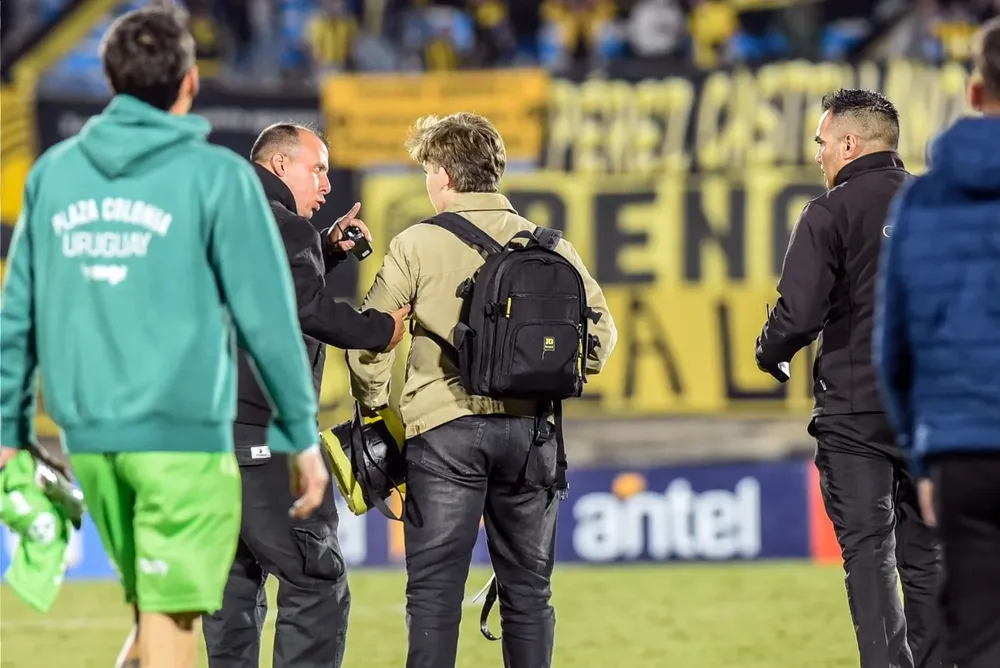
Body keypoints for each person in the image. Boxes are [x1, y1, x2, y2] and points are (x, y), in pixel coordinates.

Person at [0, 8, 329, 668]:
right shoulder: (217, 177)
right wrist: (300, 434)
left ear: (108, 77)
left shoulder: (54, 173)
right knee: (173, 622)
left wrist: (10, 432)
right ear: (190, 82)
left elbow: (19, 313)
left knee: (149, 606)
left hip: (90, 437)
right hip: (181, 438)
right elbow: (267, 316)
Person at [346, 112, 617, 668]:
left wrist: (374, 410)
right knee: (528, 594)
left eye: (428, 170)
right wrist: (548, 377)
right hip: (531, 435)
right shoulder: (550, 247)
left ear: (444, 175)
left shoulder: (416, 243)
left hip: (444, 432)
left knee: (434, 594)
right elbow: (601, 337)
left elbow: (371, 340)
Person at [202, 123, 409, 668]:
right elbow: (306, 310)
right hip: (269, 439)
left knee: (230, 590)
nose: (325, 184)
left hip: (207, 440)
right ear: (279, 165)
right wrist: (379, 329)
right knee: (315, 581)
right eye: (316, 169)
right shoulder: (286, 227)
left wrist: (327, 250)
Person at [754, 89, 944, 668]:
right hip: (931, 412)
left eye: (821, 141)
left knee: (868, 554)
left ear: (849, 144)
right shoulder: (939, 205)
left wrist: (770, 351)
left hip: (855, 411)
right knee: (930, 555)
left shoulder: (827, 212)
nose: (818, 154)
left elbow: (799, 314)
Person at [874, 17, 1000, 668]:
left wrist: (922, 460)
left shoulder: (921, 202)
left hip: (962, 451)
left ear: (975, 92)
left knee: (976, 636)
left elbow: (894, 347)